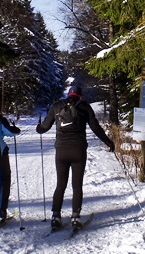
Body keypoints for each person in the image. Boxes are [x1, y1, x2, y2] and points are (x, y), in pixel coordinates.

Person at [36, 86, 115, 229]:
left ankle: (55, 216)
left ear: (69, 94)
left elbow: (44, 127)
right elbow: (95, 128)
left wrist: (38, 128)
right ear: (80, 96)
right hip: (78, 150)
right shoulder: (84, 107)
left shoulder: (57, 106)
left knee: (61, 184)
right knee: (77, 185)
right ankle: (75, 217)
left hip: (61, 150)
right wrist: (108, 141)